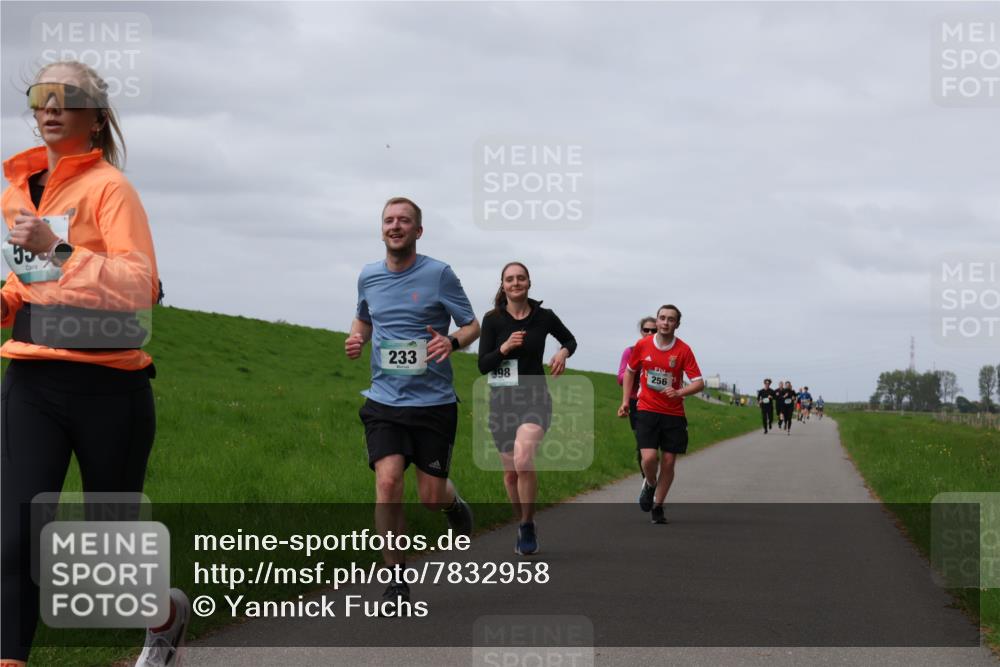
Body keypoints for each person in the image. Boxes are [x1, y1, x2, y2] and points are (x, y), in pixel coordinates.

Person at [0, 61, 188, 667]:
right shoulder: (17, 190)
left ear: (97, 116)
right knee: (15, 537)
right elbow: (23, 284)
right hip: (31, 381)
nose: (51, 106)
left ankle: (162, 617)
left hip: (111, 386)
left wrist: (55, 248)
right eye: (40, 95)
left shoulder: (112, 189)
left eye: (68, 96)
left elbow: (138, 287)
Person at [345, 196, 480, 611]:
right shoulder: (368, 276)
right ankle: (397, 581)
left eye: (404, 220)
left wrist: (452, 341)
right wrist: (357, 337)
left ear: (418, 231)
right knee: (387, 484)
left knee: (429, 496)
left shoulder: (439, 274)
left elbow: (472, 324)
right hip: (384, 400)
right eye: (389, 220)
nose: (395, 226)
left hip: (434, 403)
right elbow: (365, 317)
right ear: (381, 228)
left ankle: (452, 505)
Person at [478, 262, 577, 555]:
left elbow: (570, 339)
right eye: (510, 279)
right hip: (502, 404)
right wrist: (505, 348)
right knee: (510, 474)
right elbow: (483, 365)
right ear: (503, 285)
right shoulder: (492, 320)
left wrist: (562, 351)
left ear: (529, 282)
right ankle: (521, 521)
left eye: (520, 278)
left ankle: (528, 524)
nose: (516, 283)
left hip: (535, 399)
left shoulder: (543, 317)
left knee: (523, 459)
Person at [618, 305, 705, 524]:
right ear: (656, 321)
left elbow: (699, 382)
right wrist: (625, 401)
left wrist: (679, 392)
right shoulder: (643, 345)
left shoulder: (683, 350)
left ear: (677, 324)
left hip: (673, 413)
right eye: (662, 318)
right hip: (646, 408)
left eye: (671, 319)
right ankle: (650, 483)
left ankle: (658, 505)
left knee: (668, 462)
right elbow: (629, 372)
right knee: (649, 458)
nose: (665, 322)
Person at [618, 316, 656, 471]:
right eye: (646, 330)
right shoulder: (631, 351)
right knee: (643, 445)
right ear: (641, 331)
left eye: (653, 330)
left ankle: (652, 472)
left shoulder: (663, 352)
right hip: (636, 402)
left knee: (655, 446)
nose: (649, 333)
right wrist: (636, 371)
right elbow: (621, 378)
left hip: (658, 402)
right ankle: (647, 482)